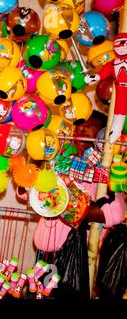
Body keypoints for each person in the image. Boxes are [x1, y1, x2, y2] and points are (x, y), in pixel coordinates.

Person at [33, 110, 125, 299]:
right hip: (48, 253)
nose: (81, 129)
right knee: (41, 293)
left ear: (103, 134)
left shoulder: (104, 173)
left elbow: (116, 214)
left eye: (88, 126)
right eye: (79, 125)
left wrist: (71, 204)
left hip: (79, 260)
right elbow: (37, 198)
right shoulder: (61, 161)